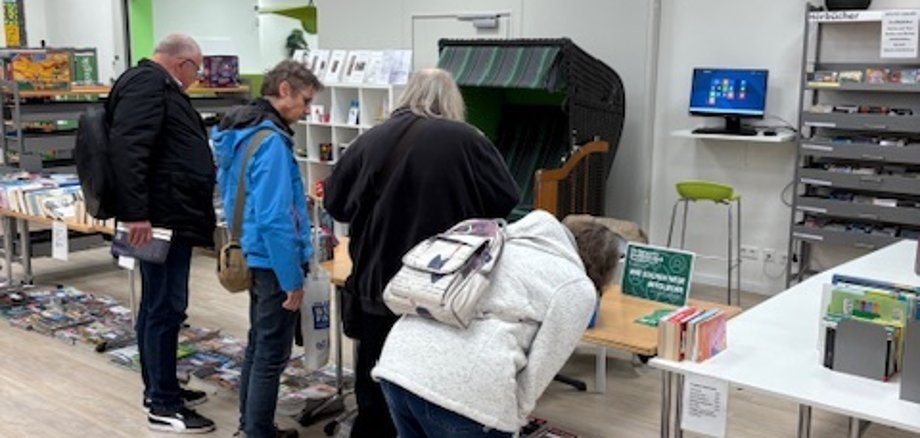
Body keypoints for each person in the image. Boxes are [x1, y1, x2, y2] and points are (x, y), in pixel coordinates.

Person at [324, 68, 520, 437]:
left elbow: (336, 203)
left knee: (376, 383)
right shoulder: (470, 140)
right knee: (436, 386)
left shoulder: (370, 139)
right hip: (444, 290)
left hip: (379, 284)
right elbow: (506, 199)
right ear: (452, 100)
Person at [372, 210, 621, 437]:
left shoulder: (499, 241)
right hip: (464, 394)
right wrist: (511, 418)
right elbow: (542, 365)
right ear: (603, 268)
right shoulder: (575, 286)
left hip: (399, 363)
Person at [108, 34, 216, 433]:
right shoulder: (148, 84)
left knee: (159, 305)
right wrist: (136, 213)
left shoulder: (154, 85)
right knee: (166, 307)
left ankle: (160, 387)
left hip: (167, 215)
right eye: (197, 69)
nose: (197, 78)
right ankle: (163, 405)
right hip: (159, 219)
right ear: (181, 63)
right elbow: (129, 148)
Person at [212, 60, 322, 438]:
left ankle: (251, 426)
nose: (307, 111)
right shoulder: (272, 141)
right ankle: (257, 431)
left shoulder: (241, 133)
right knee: (271, 355)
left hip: (252, 251)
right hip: (274, 262)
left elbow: (249, 198)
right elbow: (275, 219)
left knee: (259, 346)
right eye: (306, 101)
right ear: (285, 90)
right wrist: (292, 278)